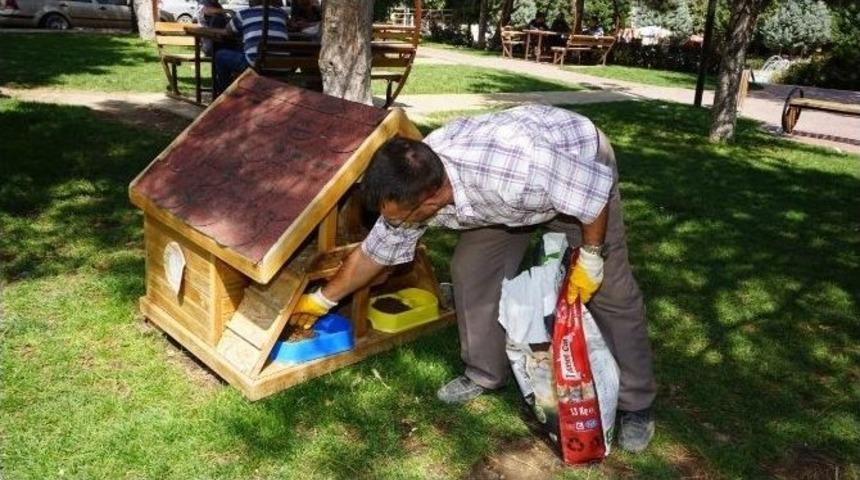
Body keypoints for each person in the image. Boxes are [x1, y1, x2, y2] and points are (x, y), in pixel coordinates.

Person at [289, 104, 658, 454]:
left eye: (402, 219)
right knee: (471, 272)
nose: (396, 225)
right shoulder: (414, 183)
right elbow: (375, 253)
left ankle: (637, 402)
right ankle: (485, 373)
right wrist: (321, 299)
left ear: (431, 199)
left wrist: (591, 258)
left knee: (611, 290)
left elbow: (591, 194)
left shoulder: (517, 169)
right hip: (500, 204)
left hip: (578, 167)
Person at [212, 0, 288, 98]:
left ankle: (224, 94)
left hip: (256, 64)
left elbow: (228, 31)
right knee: (245, 49)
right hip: (281, 65)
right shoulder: (281, 13)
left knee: (220, 55)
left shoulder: (243, 14)